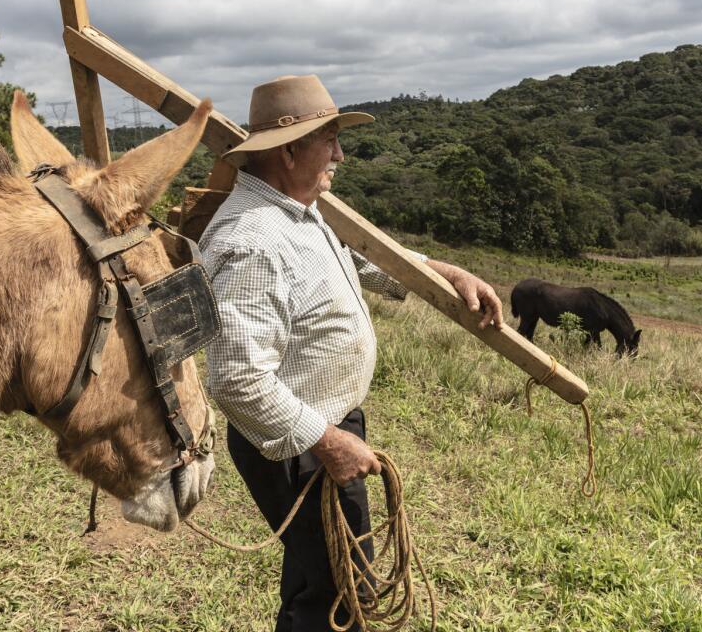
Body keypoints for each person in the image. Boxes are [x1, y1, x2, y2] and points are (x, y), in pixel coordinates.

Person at [200, 74, 503, 632]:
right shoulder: (252, 241)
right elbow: (238, 379)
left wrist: (448, 271)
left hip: (324, 431)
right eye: (329, 140)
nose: (340, 154)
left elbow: (363, 260)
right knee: (344, 591)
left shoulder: (303, 209)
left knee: (317, 575)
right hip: (302, 444)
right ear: (289, 152)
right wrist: (329, 441)